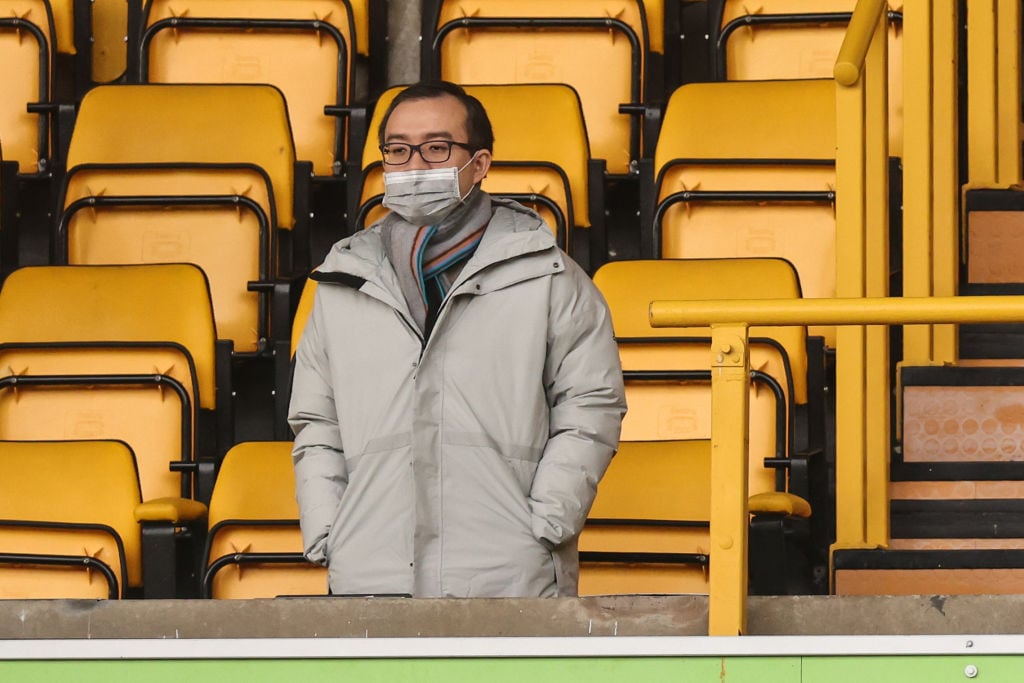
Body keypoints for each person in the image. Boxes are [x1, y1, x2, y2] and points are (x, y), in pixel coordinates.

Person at [289, 81, 626, 598]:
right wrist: (330, 528)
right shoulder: (342, 281)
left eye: (436, 148)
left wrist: (546, 522)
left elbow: (591, 404)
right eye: (398, 150)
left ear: (480, 163)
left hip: (509, 573)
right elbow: (317, 422)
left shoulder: (549, 276)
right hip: (370, 573)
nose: (415, 165)